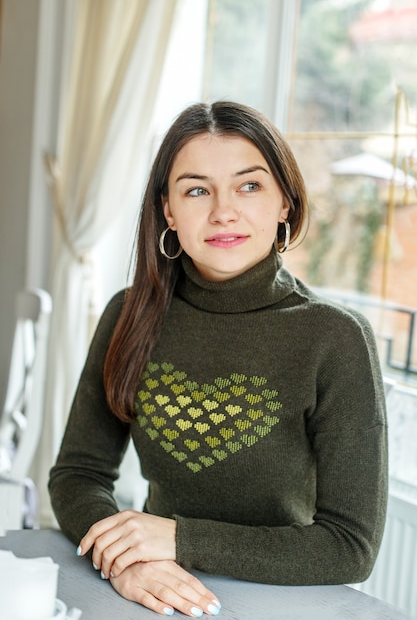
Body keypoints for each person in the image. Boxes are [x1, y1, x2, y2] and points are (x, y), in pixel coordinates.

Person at [49, 101, 388, 618]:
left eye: (249, 186)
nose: (223, 211)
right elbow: (77, 474)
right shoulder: (128, 314)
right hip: (150, 595)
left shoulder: (334, 338)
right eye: (197, 190)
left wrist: (180, 540)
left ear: (284, 203)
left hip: (288, 603)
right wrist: (125, 559)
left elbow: (350, 546)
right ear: (168, 210)